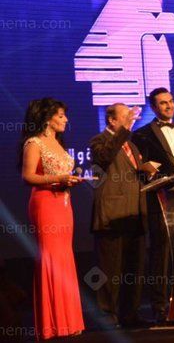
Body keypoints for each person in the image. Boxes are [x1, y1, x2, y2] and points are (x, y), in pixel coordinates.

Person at [19, 98, 84, 339]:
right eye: (61, 115)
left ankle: (68, 322)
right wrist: (59, 179)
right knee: (50, 257)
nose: (66, 119)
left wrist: (70, 180)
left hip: (64, 204)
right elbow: (28, 176)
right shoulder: (34, 143)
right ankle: (51, 324)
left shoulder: (58, 142)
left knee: (64, 257)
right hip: (45, 204)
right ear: (48, 118)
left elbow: (61, 175)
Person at [131, 87, 174, 322]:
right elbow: (141, 170)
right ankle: (159, 305)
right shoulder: (141, 135)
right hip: (160, 200)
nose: (169, 106)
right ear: (153, 107)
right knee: (162, 252)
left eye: (171, 101)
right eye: (163, 103)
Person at [90, 103, 155, 328]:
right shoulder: (98, 141)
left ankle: (130, 314)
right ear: (112, 120)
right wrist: (125, 130)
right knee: (110, 269)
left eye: (131, 117)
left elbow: (133, 174)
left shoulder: (131, 145)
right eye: (126, 116)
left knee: (133, 268)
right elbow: (104, 157)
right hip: (112, 215)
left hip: (135, 212)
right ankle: (106, 315)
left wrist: (147, 172)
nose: (131, 120)